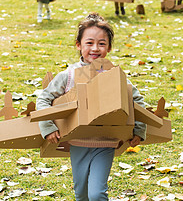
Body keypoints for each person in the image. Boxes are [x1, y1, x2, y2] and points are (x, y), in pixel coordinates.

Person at [36, 12, 146, 201]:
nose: (95, 48)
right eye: (89, 43)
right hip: (78, 142)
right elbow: (44, 99)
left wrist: (139, 129)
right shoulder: (68, 75)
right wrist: (48, 126)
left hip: (106, 142)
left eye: (102, 44)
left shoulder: (114, 75)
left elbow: (137, 102)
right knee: (82, 194)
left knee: (97, 194)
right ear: (78, 45)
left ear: (109, 48)